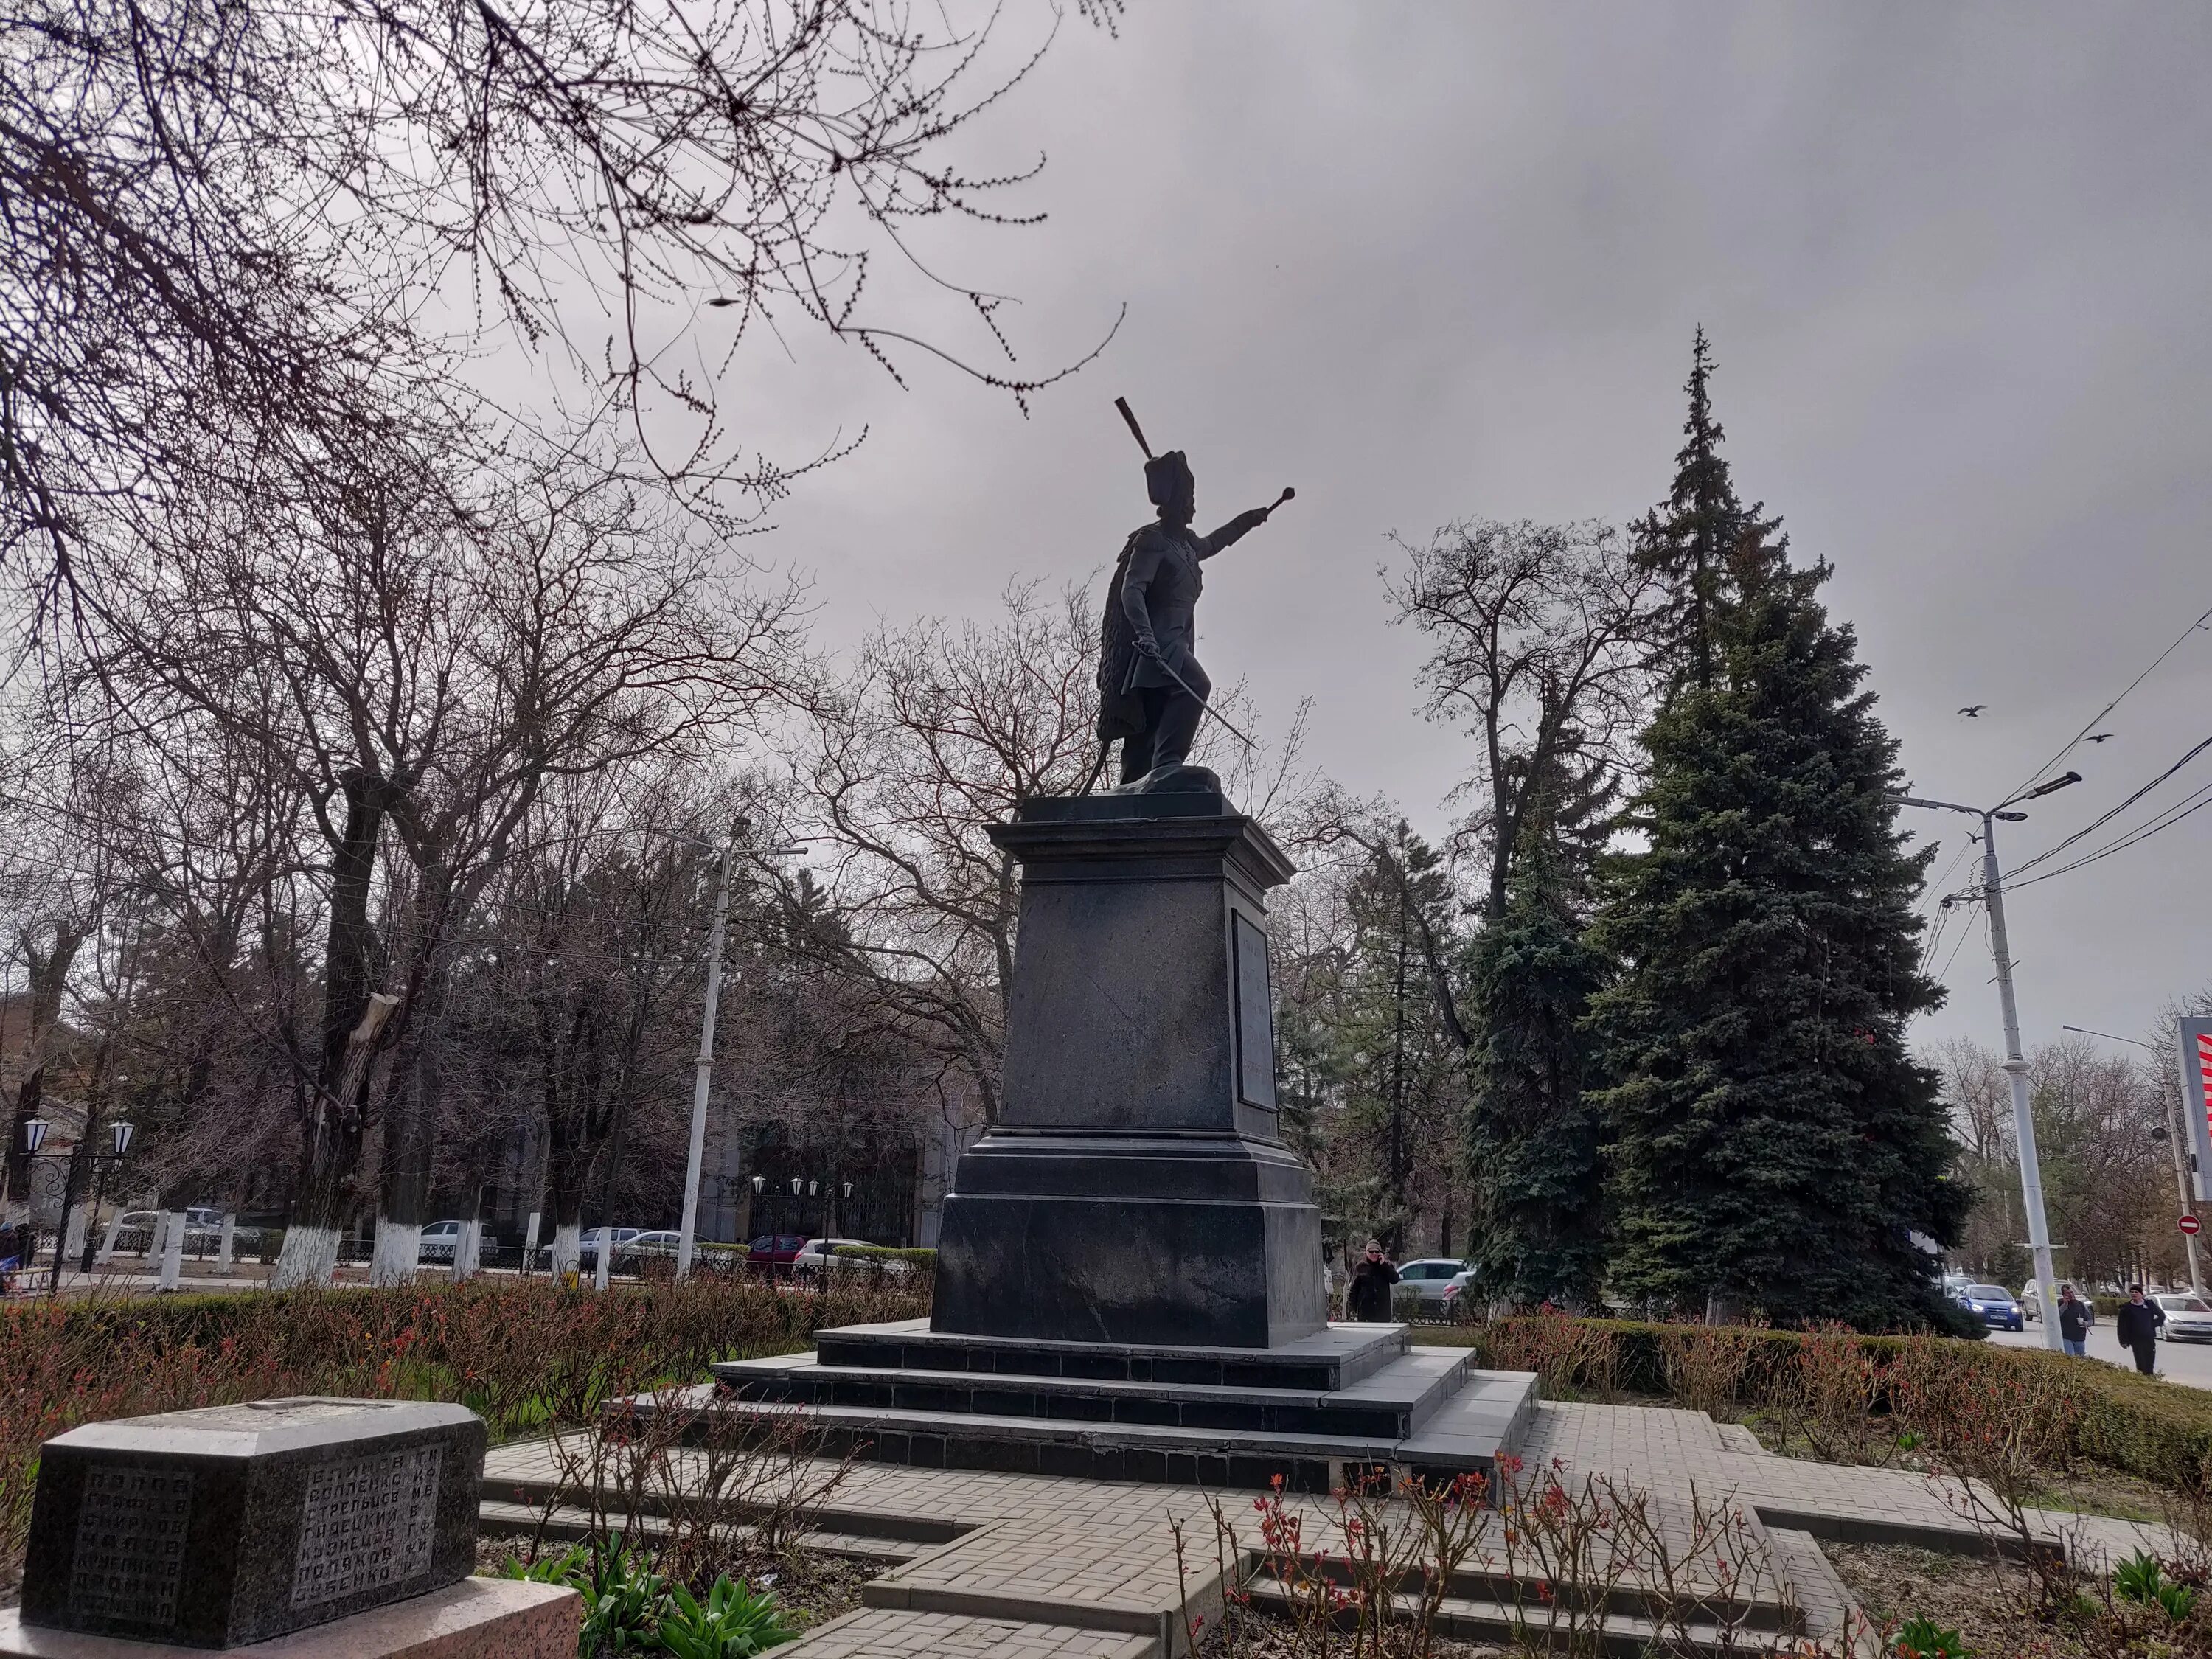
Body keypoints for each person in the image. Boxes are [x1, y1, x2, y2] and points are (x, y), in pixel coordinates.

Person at [1095, 451, 1287, 790]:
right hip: (1157, 644)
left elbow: (1215, 542)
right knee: (1197, 686)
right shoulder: (1152, 541)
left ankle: (1134, 786)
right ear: (1180, 501)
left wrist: (1249, 519)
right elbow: (1132, 590)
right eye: (1191, 498)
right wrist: (1146, 636)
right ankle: (1168, 764)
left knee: (1150, 723)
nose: (1194, 506)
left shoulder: (1185, 545)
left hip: (1177, 642)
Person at [2115, 1283, 2166, 1375]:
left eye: (2136, 1292)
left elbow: (2162, 1316)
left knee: (2150, 1359)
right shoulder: (2126, 1308)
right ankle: (2142, 1376)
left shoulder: (2149, 1305)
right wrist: (2123, 1341)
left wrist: (2151, 1325)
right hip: (2135, 1339)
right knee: (2140, 1360)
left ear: (2141, 1294)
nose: (2134, 1294)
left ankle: (2150, 1376)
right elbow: (2121, 1326)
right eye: (2132, 1292)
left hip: (2148, 1337)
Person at [1346, 1238, 1400, 1323]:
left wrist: (1384, 1265)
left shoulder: (1386, 1265)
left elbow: (1395, 1279)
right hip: (1366, 1313)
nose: (1374, 1254)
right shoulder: (1360, 1267)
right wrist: (1352, 1308)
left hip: (1382, 1314)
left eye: (1377, 1251)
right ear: (1366, 1253)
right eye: (1371, 1252)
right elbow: (1354, 1289)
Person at [2056, 1283, 2092, 1357]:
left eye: (2072, 1292)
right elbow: (2056, 1316)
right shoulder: (2059, 1303)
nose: (2071, 1294)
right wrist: (2064, 1305)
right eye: (2068, 1293)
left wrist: (2086, 1323)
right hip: (2066, 1337)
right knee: (2071, 1358)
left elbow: (2090, 1320)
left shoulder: (2081, 1305)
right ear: (2063, 1295)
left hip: (2080, 1338)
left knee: (2080, 1360)